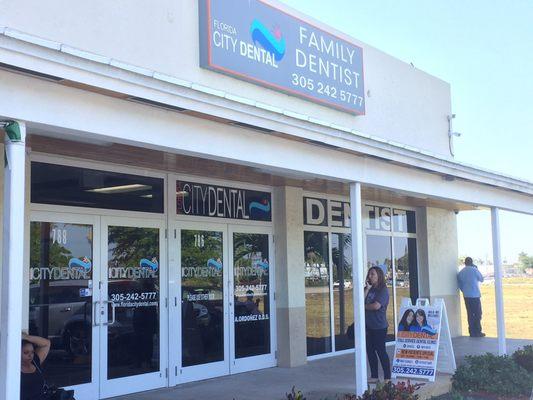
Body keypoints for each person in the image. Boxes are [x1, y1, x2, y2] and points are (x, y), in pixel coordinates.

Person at [364, 266, 391, 384]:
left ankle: (387, 378)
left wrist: (363, 307)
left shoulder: (383, 290)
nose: (370, 276)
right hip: (368, 326)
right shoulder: (369, 289)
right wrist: (367, 289)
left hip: (379, 327)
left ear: (379, 276)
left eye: (372, 274)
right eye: (369, 274)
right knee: (370, 351)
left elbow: (376, 306)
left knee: (381, 351)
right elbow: (360, 300)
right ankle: (374, 376)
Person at [457, 257, 485, 337]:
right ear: (472, 262)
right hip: (475, 295)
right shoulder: (474, 270)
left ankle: (472, 332)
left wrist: (465, 291)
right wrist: (476, 268)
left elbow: (460, 285)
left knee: (470, 314)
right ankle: (478, 331)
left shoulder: (461, 273)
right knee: (478, 313)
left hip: (466, 296)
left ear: (465, 263)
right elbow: (481, 279)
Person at [20, 332, 51, 400]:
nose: (30, 355)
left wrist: (26, 337)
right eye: (26, 352)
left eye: (32, 352)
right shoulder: (11, 368)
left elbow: (46, 344)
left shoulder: (35, 361)